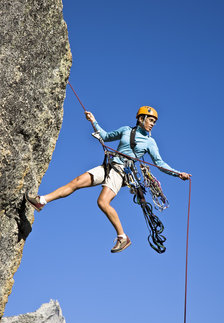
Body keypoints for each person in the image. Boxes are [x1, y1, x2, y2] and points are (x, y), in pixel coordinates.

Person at [26, 106, 191, 253]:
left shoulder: (150, 142)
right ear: (141, 119)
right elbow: (105, 137)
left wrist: (178, 173)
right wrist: (93, 121)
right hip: (108, 166)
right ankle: (42, 201)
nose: (152, 123)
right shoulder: (126, 130)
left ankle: (122, 237)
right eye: (150, 120)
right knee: (76, 182)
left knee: (103, 202)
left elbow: (159, 163)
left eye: (154, 121)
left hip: (120, 172)